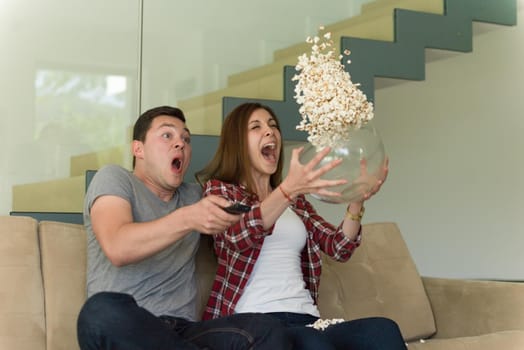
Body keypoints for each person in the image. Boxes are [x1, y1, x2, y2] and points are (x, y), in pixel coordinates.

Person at [76, 105, 292, 350]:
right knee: (100, 312)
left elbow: (245, 217)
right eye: (167, 135)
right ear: (138, 148)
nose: (180, 144)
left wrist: (286, 188)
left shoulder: (195, 195)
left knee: (266, 330)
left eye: (186, 139)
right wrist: (188, 218)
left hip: (183, 332)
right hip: (131, 328)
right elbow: (117, 247)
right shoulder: (115, 178)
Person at [196, 102, 407, 350]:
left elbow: (338, 247)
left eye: (273, 126)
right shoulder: (221, 191)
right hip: (254, 322)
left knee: (384, 330)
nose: (270, 132)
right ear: (237, 143)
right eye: (256, 127)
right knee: (314, 344)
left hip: (306, 317)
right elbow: (237, 236)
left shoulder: (297, 203)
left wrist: (356, 200)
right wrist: (289, 189)